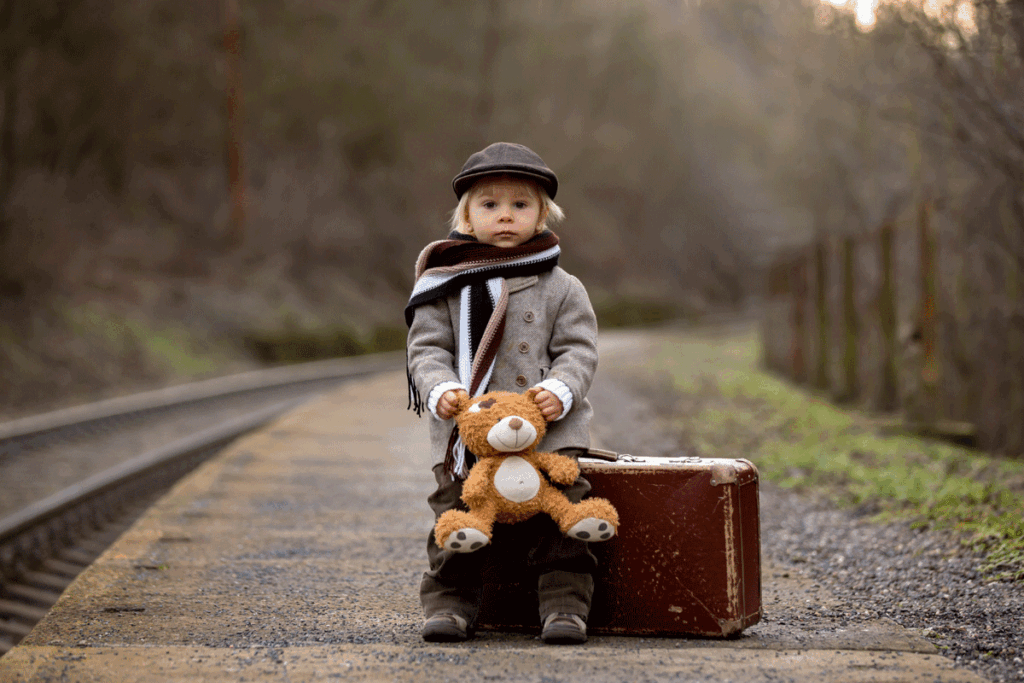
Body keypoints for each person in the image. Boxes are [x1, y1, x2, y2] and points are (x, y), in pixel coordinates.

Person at [405, 142, 601, 645]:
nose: (505, 216)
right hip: (466, 431)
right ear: (467, 217)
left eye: (520, 204)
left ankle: (565, 607)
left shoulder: (563, 287)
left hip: (547, 430)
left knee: (561, 518)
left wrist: (561, 388)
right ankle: (450, 604)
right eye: (489, 205)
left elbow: (579, 349)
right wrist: (441, 387)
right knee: (458, 514)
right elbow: (427, 348)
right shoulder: (444, 284)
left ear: (541, 216)